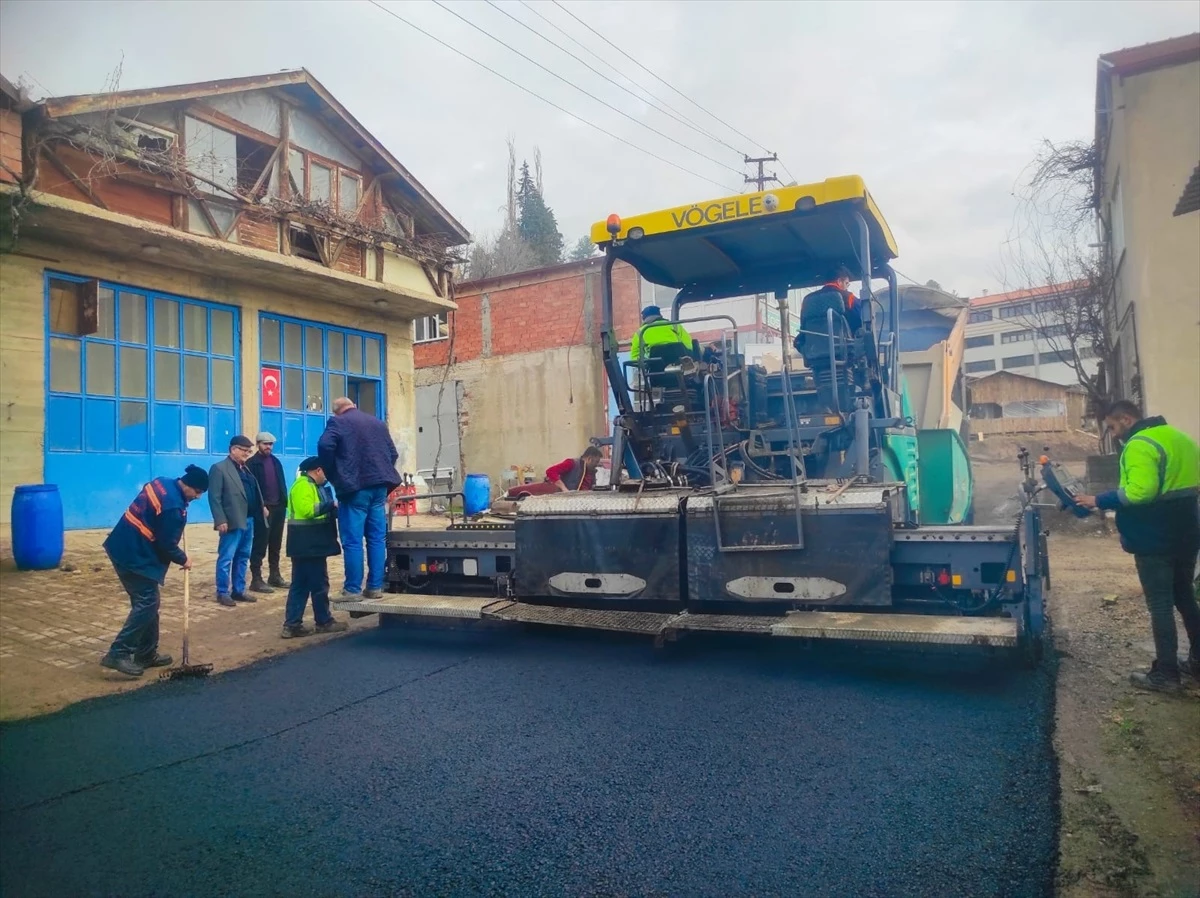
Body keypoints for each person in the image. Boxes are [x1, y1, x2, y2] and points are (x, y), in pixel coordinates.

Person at [1076, 400, 1200, 693]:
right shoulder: (1178, 437)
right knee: (1184, 596)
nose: (1114, 434)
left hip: (1156, 537)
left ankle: (1167, 676)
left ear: (1127, 419)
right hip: (1187, 531)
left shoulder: (1139, 444)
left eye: (1113, 427)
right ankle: (1197, 662)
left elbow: (1140, 491)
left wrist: (1098, 500)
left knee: (1159, 605)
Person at [99, 465, 208, 677]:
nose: (198, 497)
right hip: (133, 555)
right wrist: (183, 559)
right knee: (147, 602)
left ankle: (146, 654)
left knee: (147, 603)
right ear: (188, 485)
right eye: (197, 492)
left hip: (123, 544)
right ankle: (118, 653)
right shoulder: (173, 508)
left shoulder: (163, 481)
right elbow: (166, 545)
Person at [317, 396, 400, 600]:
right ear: (354, 404)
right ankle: (375, 587)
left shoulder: (338, 422)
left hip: (355, 489)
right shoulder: (378, 423)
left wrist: (333, 474)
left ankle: (352, 589)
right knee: (376, 538)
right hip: (379, 487)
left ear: (337, 411)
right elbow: (393, 454)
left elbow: (325, 446)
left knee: (353, 541)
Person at [281, 457, 349, 639]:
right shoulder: (303, 485)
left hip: (307, 544)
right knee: (318, 584)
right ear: (318, 470)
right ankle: (323, 621)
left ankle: (292, 625)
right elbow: (308, 510)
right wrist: (331, 505)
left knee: (301, 584)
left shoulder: (312, 485)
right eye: (325, 473)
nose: (326, 477)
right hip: (308, 543)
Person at [793, 265, 862, 412]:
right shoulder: (849, 298)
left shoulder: (808, 300)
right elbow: (862, 320)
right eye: (847, 283)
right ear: (840, 281)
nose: (847, 287)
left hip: (815, 358)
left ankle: (827, 407)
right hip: (843, 355)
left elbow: (804, 329)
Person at [208, 435, 265, 608]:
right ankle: (222, 592)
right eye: (244, 450)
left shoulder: (244, 469)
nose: (247, 454)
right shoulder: (219, 469)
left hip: (249, 519)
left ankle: (239, 590)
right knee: (227, 557)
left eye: (249, 451)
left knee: (243, 557)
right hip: (231, 520)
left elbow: (252, 490)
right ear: (233, 449)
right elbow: (214, 497)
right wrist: (220, 519)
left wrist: (261, 506)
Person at [247, 431, 289, 593]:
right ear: (258, 444)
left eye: (270, 444)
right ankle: (256, 579)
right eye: (265, 444)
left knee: (276, 544)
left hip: (278, 508)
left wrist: (284, 504)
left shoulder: (276, 462)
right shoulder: (252, 464)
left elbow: (281, 484)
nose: (268, 447)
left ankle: (274, 575)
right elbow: (252, 489)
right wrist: (260, 505)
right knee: (260, 544)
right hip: (263, 510)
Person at [630, 306, 694, 362]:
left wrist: (644, 364)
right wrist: (690, 354)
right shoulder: (674, 325)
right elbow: (688, 344)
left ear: (644, 318)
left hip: (656, 366)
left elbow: (635, 357)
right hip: (678, 360)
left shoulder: (640, 332)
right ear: (660, 315)